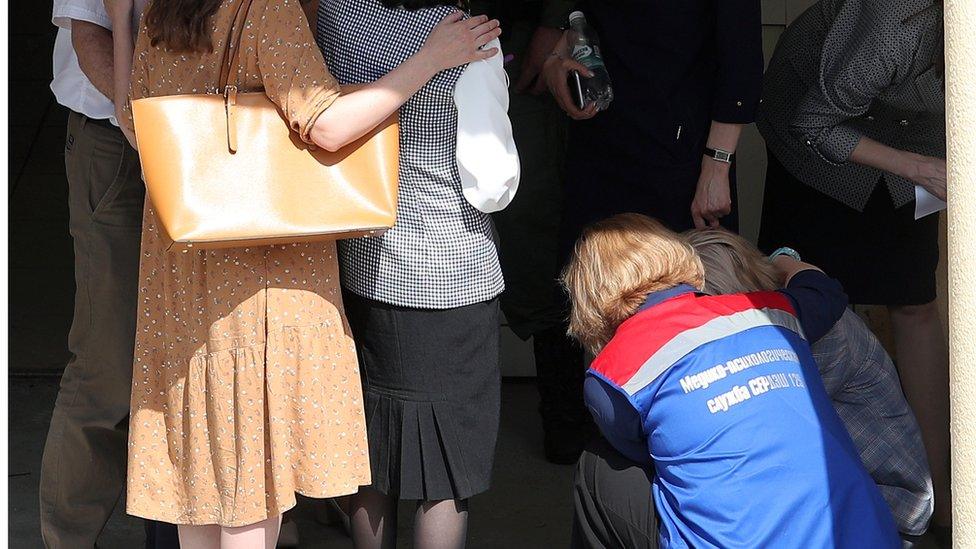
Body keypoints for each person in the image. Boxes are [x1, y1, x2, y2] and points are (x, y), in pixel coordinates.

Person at [108, 0, 500, 545]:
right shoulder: (267, 9)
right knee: (251, 487)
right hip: (252, 279)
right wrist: (430, 58)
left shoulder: (160, 12)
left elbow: (134, 123)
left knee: (197, 480)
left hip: (180, 277)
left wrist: (119, 22)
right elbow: (328, 126)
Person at [564, 213, 899, 548]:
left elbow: (644, 455)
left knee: (599, 467)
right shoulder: (771, 310)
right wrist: (782, 258)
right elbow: (824, 290)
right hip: (868, 537)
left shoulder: (613, 374)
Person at [316, 1, 514, 546]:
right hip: (451, 269)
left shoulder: (336, 14)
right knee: (445, 471)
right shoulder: (466, 31)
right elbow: (493, 179)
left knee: (367, 451)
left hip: (363, 262)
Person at [756, 0, 950, 536]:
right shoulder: (894, 22)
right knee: (812, 306)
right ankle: (812, 492)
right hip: (815, 147)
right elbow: (813, 122)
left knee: (915, 301)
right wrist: (923, 169)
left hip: (914, 145)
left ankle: (938, 492)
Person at [685, 228, 934, 537]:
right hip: (847, 492)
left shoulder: (814, 340)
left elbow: (754, 438)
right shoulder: (799, 309)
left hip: (886, 508)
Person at [40, 0, 178, 546]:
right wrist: (144, 130)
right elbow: (88, 33)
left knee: (207, 350)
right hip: (116, 142)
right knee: (108, 360)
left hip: (212, 140)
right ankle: (68, 537)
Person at [468, 0, 591, 464]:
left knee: (541, 241)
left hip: (527, 53)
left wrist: (555, 19)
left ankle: (565, 419)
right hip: (438, 40)